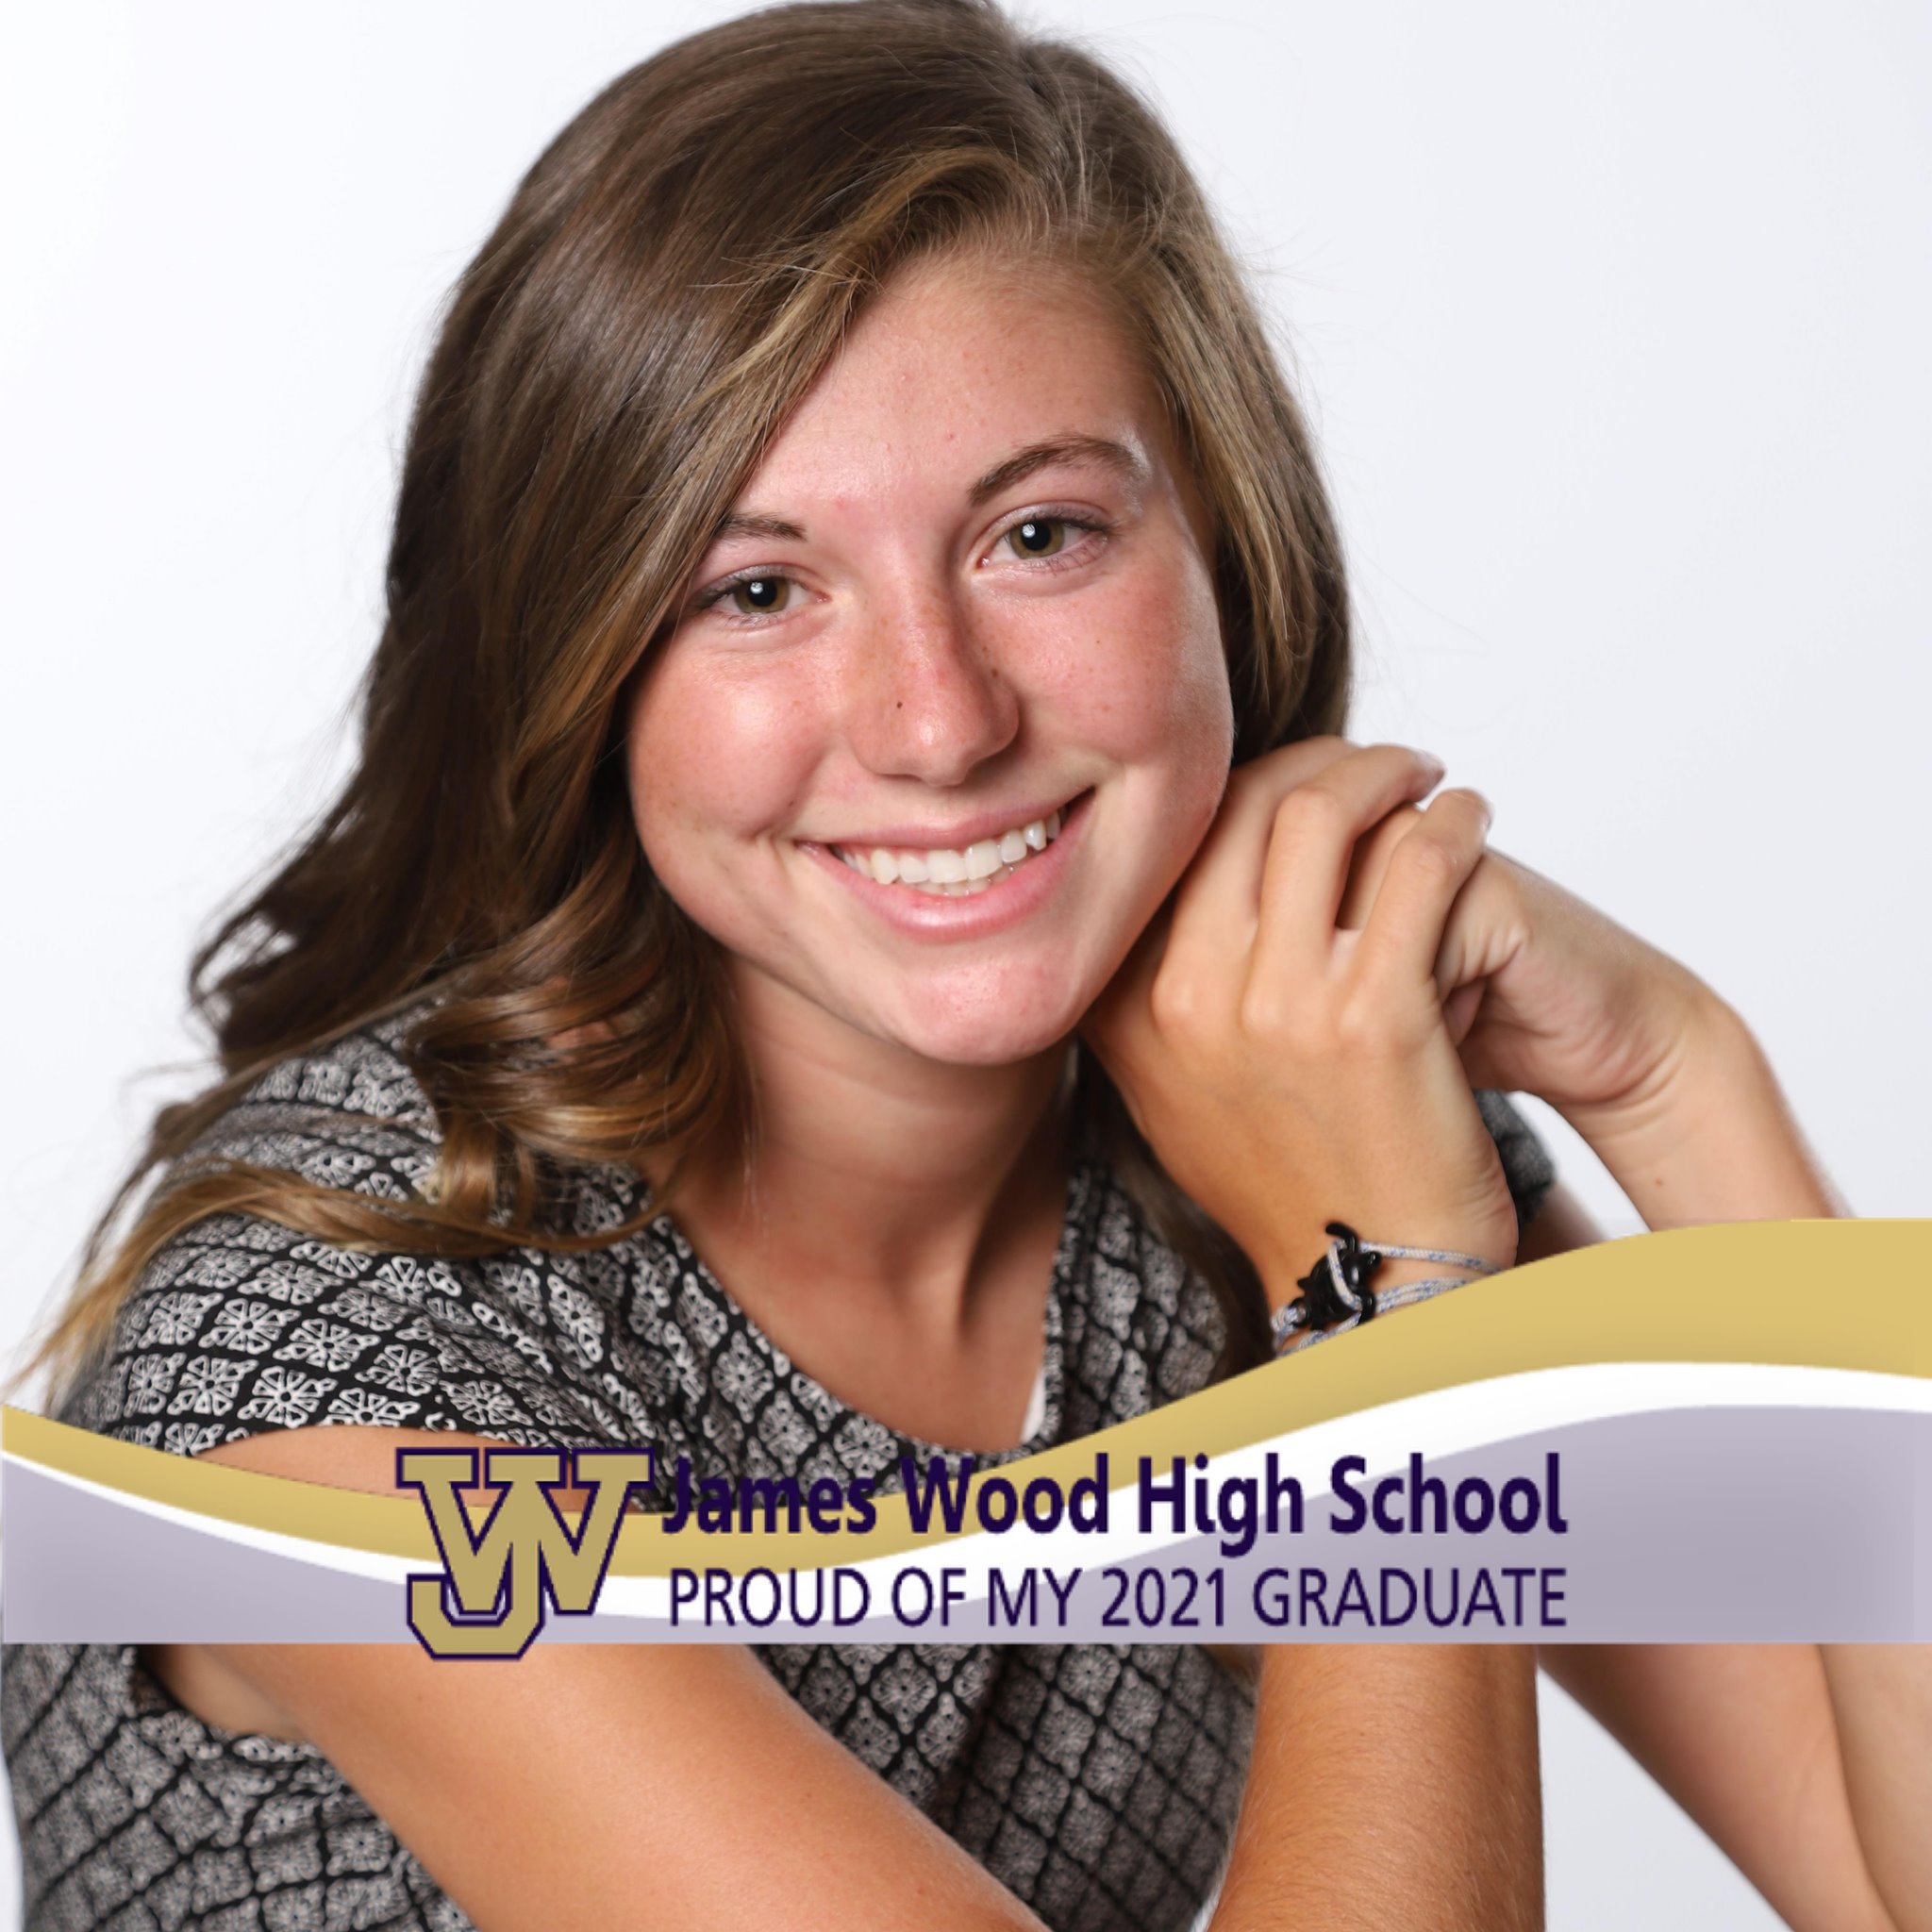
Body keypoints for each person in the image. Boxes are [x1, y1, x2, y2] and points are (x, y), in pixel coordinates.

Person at [3, 3, 1924, 1929]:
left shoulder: (1276, 1135)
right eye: (758, 589)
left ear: (1228, 553)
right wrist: (1396, 1315)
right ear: (578, 662)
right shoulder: (347, 1366)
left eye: (1039, 533)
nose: (937, 722)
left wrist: (1684, 1083)